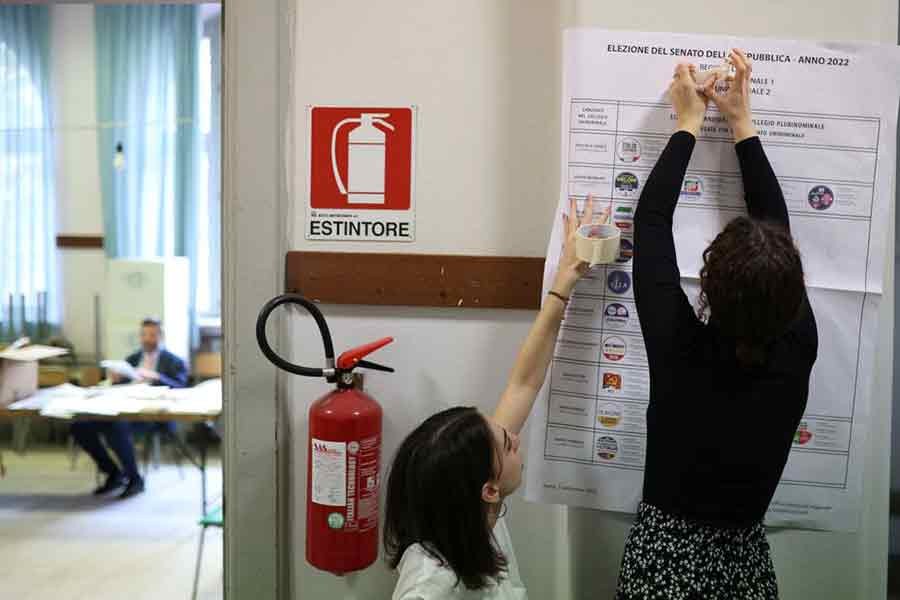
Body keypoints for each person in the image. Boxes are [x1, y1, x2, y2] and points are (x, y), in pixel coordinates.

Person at [616, 50, 817, 599]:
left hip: (662, 568)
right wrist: (742, 124)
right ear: (793, 294)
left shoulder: (682, 351)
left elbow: (651, 223)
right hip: (744, 567)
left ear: (709, 289)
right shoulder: (799, 346)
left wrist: (687, 124)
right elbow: (776, 232)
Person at [384, 198, 609, 599]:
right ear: (489, 488)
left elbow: (524, 383)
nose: (516, 439)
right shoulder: (427, 586)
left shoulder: (472, 510)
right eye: (507, 444)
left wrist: (565, 279)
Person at [71, 318, 189, 499]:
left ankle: (135, 479)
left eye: (152, 335)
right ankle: (114, 473)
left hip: (153, 416)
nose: (147, 339)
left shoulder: (175, 362)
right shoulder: (133, 359)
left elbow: (181, 387)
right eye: (143, 334)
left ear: (161, 336)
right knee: (80, 426)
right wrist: (116, 379)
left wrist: (156, 376)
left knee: (116, 427)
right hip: (123, 409)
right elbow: (121, 384)